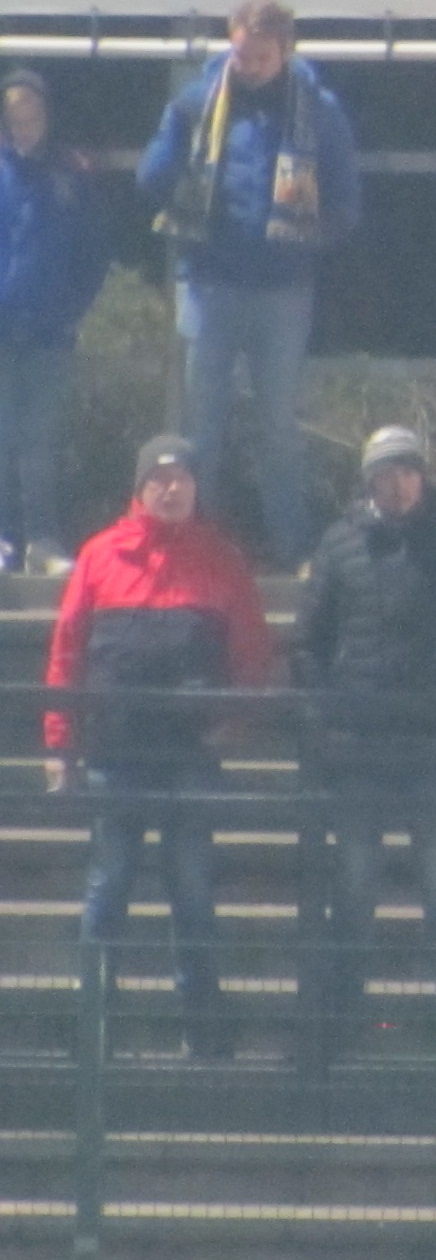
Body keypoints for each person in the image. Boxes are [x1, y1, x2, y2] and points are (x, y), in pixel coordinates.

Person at [47, 437, 273, 1057]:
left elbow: (253, 652)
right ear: (140, 488)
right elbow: (67, 651)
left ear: (197, 489)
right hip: (114, 753)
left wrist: (235, 722)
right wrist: (60, 743)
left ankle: (203, 1028)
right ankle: (92, 1025)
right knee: (108, 889)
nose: (173, 490)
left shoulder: (222, 558)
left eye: (183, 479)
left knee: (192, 891)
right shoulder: (99, 555)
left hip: (190, 756)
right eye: (161, 479)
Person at [295, 426, 436, 1048]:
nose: (399, 483)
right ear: (369, 481)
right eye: (387, 473)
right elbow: (308, 642)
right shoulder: (338, 544)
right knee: (354, 888)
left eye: (409, 471)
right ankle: (342, 1019)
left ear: (423, 476)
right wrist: (330, 716)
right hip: (357, 749)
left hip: (429, 747)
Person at [139, 0, 362, 563]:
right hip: (209, 284)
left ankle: (292, 551)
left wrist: (308, 240)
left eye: (262, 57)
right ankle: (194, 553)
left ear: (286, 51)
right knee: (201, 430)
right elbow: (151, 177)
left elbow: (346, 200)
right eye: (241, 54)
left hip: (284, 291)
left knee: (279, 428)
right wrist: (178, 147)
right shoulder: (197, 101)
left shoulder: (317, 109)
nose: (250, 66)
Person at [0, 69, 113, 576]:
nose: (24, 127)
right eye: (14, 118)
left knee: (40, 441)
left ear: (48, 115)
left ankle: (42, 541)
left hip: (50, 334)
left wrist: (70, 310)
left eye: (32, 116)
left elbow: (94, 254)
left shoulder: (73, 174)